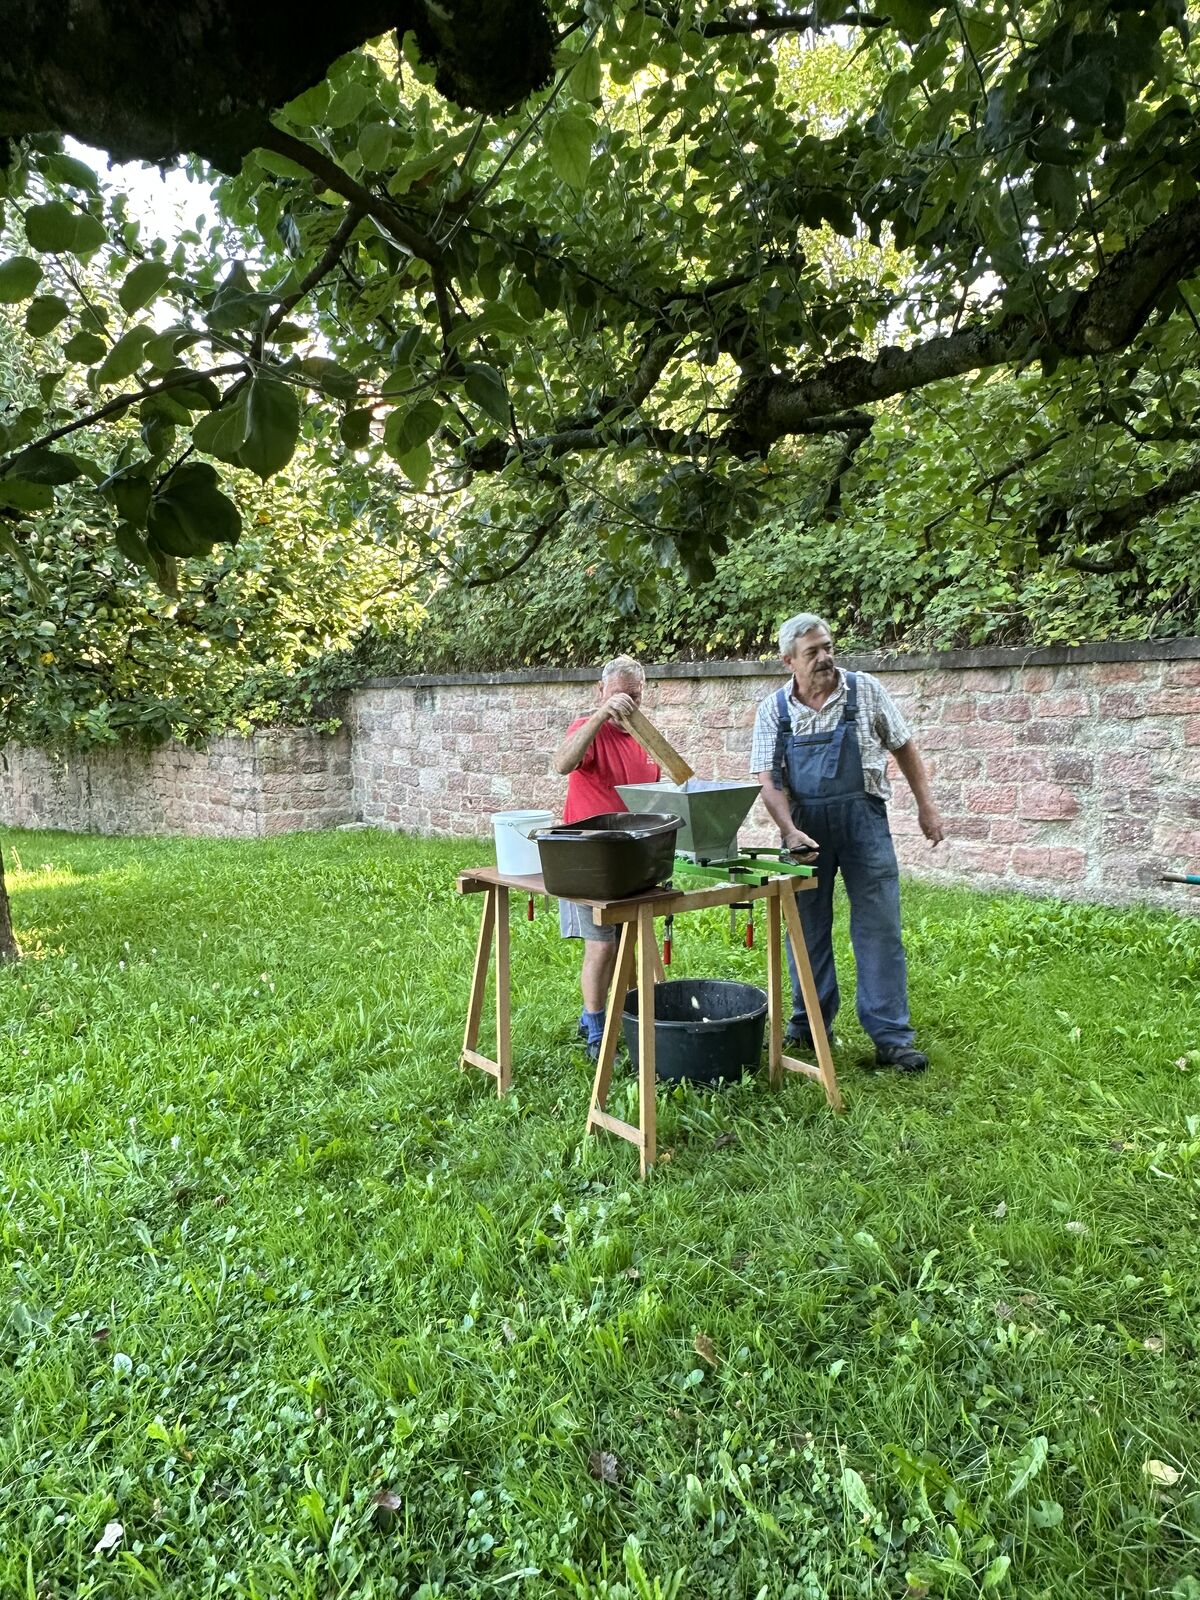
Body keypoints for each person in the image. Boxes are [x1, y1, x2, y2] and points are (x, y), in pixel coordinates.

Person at [750, 614, 945, 1072]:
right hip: (805, 830)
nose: (825, 658)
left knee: (879, 927)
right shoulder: (774, 711)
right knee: (807, 928)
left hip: (864, 823)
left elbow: (904, 746)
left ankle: (892, 1037)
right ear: (788, 661)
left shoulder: (865, 691)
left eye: (828, 647)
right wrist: (788, 830)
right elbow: (768, 778)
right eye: (812, 652)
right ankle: (808, 1024)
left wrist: (926, 807)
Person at [553, 655, 660, 1058]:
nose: (625, 705)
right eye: (617, 696)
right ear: (600, 692)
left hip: (633, 859)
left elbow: (656, 796)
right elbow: (561, 764)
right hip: (587, 858)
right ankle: (596, 1029)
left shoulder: (646, 739)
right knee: (602, 946)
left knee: (628, 943)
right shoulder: (587, 729)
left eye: (633, 696)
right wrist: (599, 716)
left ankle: (627, 1018)